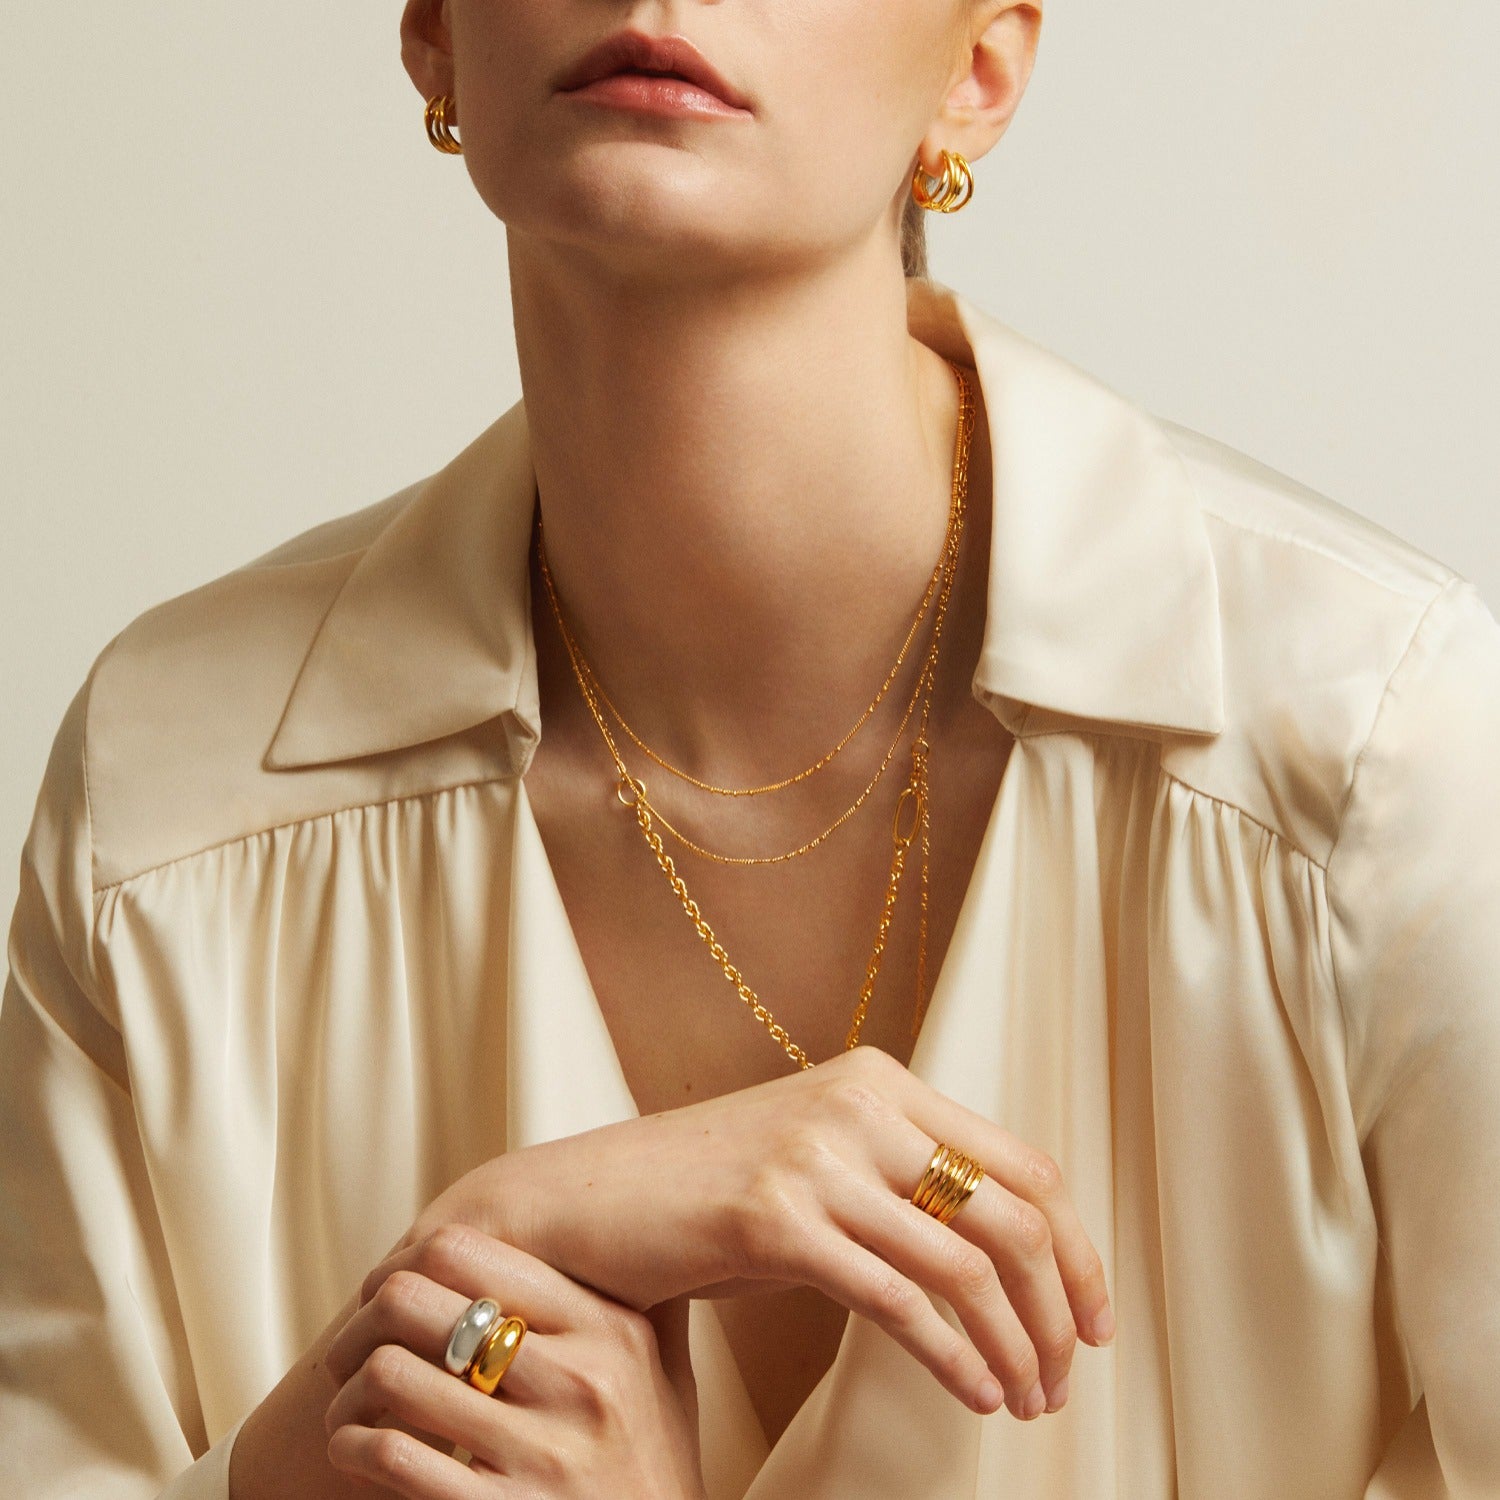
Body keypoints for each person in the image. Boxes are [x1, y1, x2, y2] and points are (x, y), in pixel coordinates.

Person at [2, 0, 1497, 1495]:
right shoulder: (169, 803)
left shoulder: (1379, 747)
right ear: (439, 31)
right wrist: (340, 1428)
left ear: (976, 72)